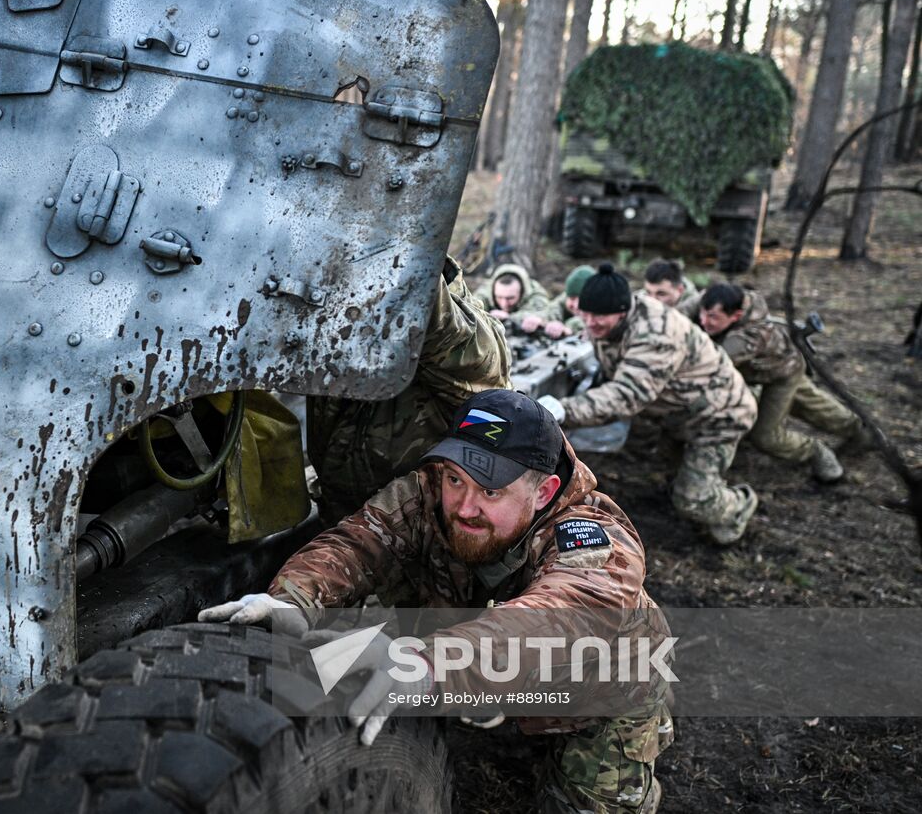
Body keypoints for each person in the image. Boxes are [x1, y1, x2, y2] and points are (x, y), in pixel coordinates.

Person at [202, 389, 674, 814]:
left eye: (491, 491)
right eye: (455, 480)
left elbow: (561, 619)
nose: (465, 506)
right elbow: (356, 544)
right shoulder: (431, 488)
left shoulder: (593, 540)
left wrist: (429, 663)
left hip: (595, 689)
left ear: (544, 491)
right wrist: (292, 600)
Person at [539, 265, 759, 545]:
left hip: (719, 416)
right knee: (672, 475)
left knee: (693, 500)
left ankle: (740, 503)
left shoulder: (655, 334)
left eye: (600, 317)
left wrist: (565, 409)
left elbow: (627, 395)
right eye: (586, 314)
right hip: (680, 410)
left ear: (622, 311)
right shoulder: (616, 316)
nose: (591, 323)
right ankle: (689, 480)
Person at [307, 258, 511, 517]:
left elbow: (438, 325)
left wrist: (389, 249)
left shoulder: (474, 340)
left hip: (427, 532)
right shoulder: (343, 330)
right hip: (347, 519)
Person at [696, 283, 862, 482]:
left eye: (713, 317)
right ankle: (861, 431)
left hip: (782, 374)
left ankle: (817, 451)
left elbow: (705, 366)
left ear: (736, 316)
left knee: (767, 436)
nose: (704, 321)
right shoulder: (726, 299)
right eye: (702, 313)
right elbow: (687, 308)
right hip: (775, 360)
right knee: (815, 406)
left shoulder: (744, 340)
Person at [524, 264, 594, 339]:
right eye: (572, 298)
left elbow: (591, 321)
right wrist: (539, 320)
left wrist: (568, 328)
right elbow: (552, 310)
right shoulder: (563, 301)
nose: (576, 305)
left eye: (583, 299)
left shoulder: (603, 307)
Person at [474, 262, 552, 327]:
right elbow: (471, 311)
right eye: (499, 297)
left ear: (522, 292)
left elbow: (544, 315)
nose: (504, 304)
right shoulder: (485, 292)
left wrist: (509, 318)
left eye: (510, 298)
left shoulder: (536, 294)